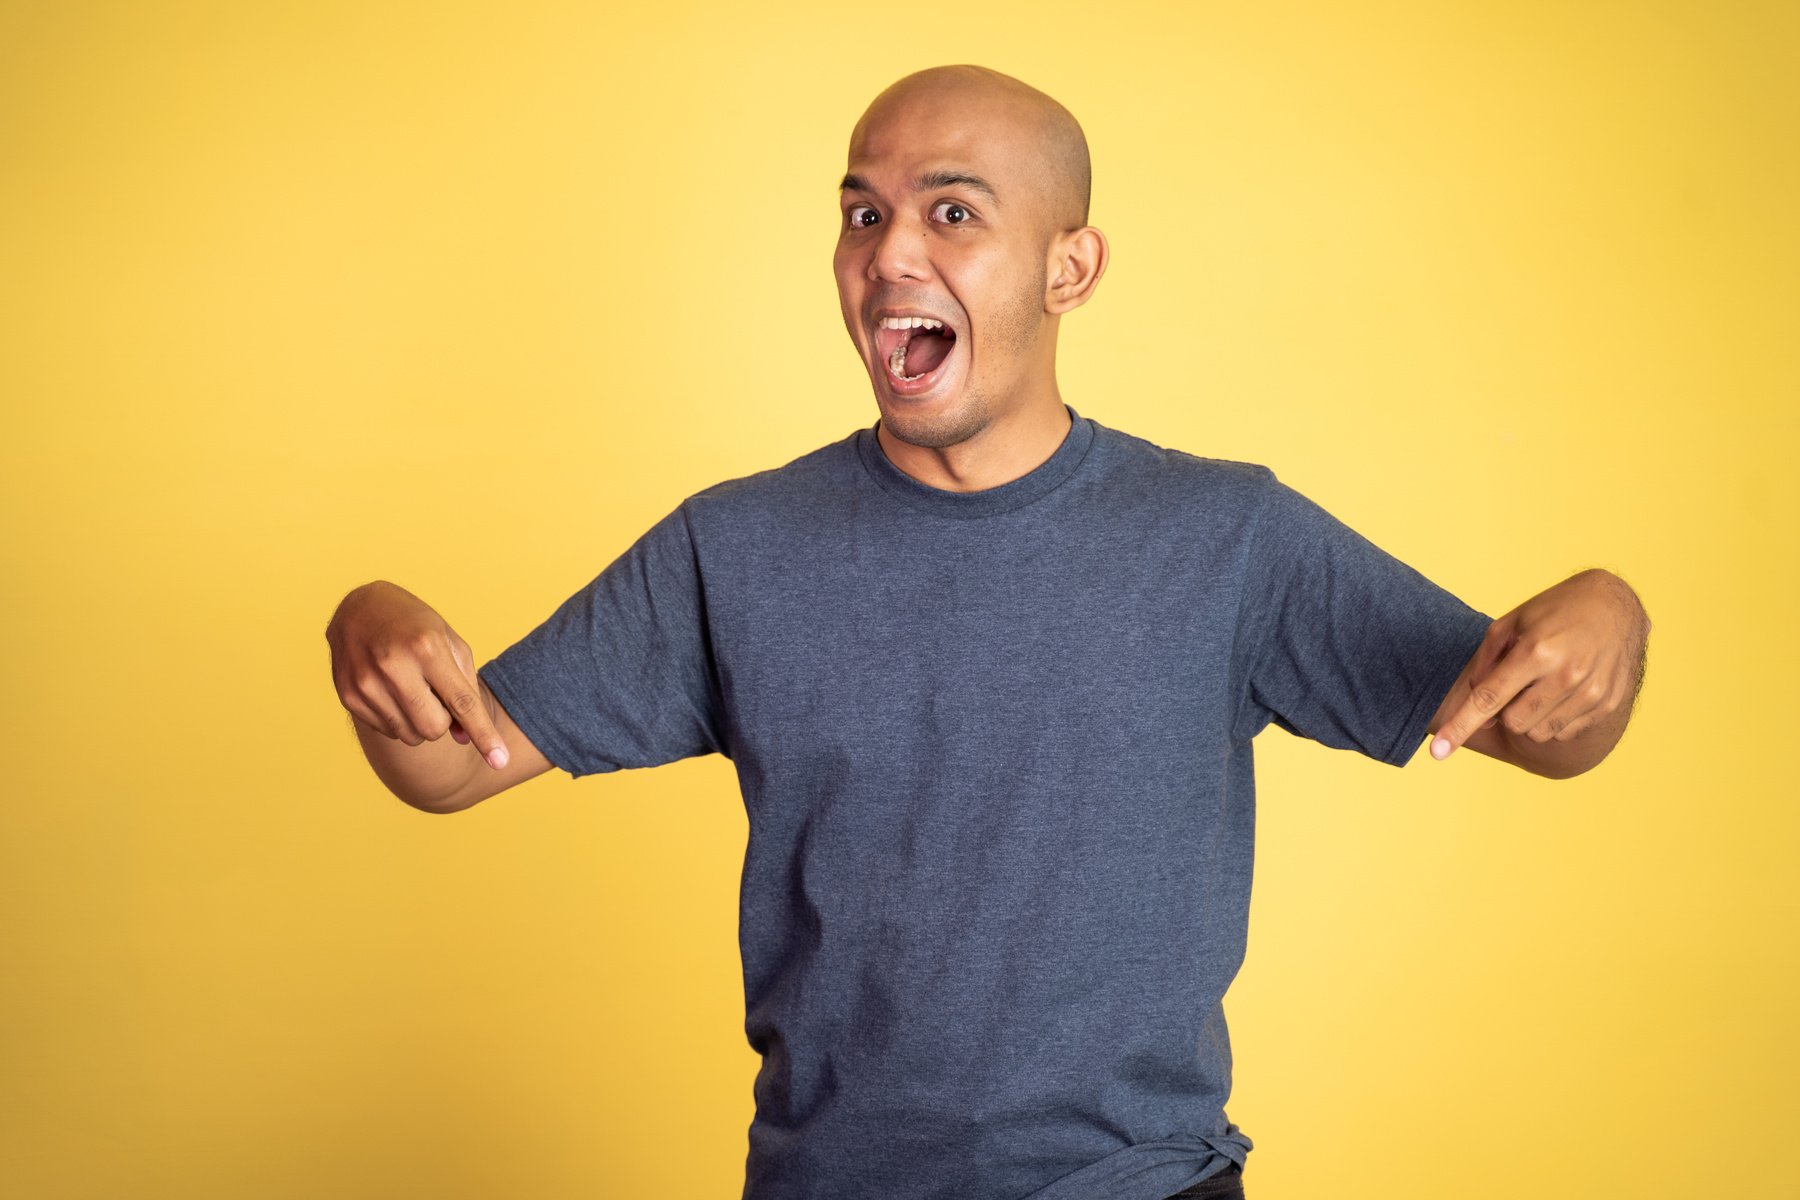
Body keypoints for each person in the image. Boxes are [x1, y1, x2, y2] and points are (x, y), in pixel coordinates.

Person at [325, 65, 1650, 1200]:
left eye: (951, 211)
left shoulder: (1227, 539)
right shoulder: (733, 549)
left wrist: (1614, 619)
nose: (889, 252)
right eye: (864, 212)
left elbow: (1534, 728)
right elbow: (453, 763)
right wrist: (364, 624)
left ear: (1068, 267)